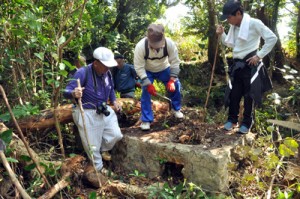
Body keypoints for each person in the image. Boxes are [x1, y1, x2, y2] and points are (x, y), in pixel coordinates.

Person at [216, 0, 277, 134]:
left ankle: (247, 123)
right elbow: (231, 45)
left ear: (238, 13)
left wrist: (259, 56)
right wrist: (221, 34)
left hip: (250, 64)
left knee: (250, 95)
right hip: (237, 65)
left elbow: (272, 38)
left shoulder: (254, 23)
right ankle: (232, 120)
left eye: (229, 17)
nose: (227, 20)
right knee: (234, 94)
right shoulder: (234, 27)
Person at [63, 47, 123, 172]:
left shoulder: (107, 73)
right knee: (92, 145)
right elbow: (66, 91)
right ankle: (99, 168)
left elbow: (111, 89)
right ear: (96, 63)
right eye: (105, 66)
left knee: (116, 134)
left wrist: (115, 102)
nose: (108, 68)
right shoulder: (83, 72)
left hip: (102, 108)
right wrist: (74, 93)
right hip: (86, 111)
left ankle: (103, 149)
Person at [134, 23, 184, 131]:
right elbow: (138, 67)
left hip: (164, 68)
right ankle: (146, 120)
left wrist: (172, 79)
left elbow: (175, 62)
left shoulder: (169, 44)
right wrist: (147, 83)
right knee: (145, 92)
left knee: (176, 85)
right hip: (147, 70)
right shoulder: (140, 46)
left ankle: (176, 109)